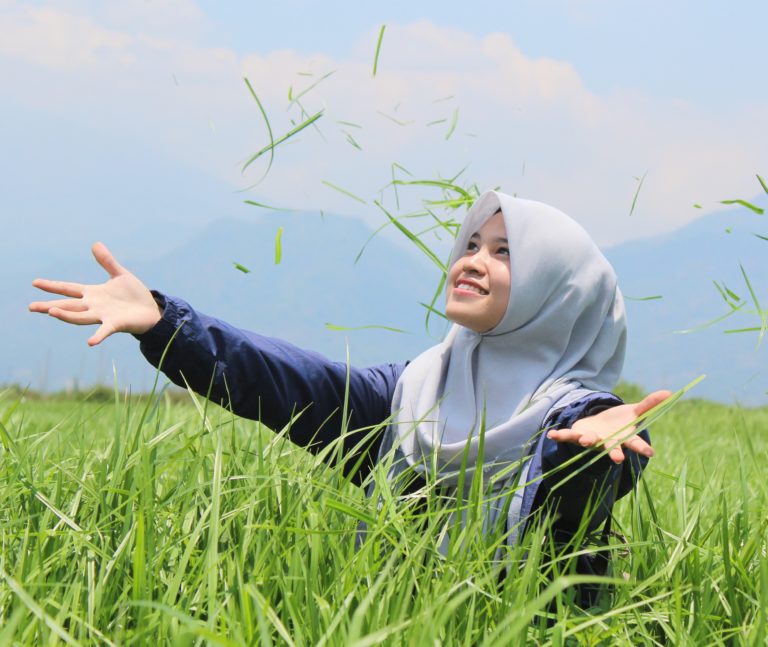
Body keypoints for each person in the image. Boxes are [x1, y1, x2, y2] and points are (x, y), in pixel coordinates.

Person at [29, 191, 670, 601]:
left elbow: (590, 476)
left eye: (505, 253)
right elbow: (288, 384)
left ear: (554, 295)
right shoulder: (417, 388)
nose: (472, 260)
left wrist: (596, 448)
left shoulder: (572, 414)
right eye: (471, 243)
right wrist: (167, 323)